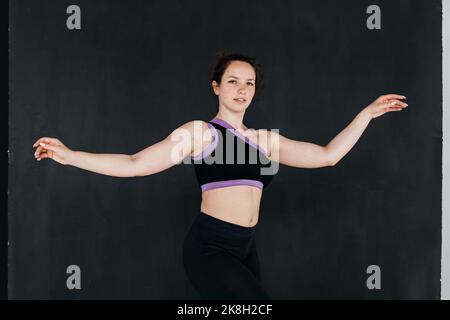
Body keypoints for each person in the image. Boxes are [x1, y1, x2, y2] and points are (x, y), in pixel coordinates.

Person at [32, 50, 408, 299]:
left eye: (250, 83)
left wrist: (367, 114)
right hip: (210, 247)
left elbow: (328, 156)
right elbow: (135, 164)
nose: (242, 89)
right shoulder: (201, 133)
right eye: (233, 81)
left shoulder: (265, 141)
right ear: (216, 86)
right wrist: (72, 157)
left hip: (246, 248)